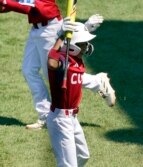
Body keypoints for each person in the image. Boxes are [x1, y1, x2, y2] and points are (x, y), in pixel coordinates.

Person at [0, 0, 116, 129]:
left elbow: (29, 6)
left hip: (50, 29)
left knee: (54, 74)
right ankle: (45, 116)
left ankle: (97, 82)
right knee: (28, 71)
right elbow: (18, 2)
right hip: (36, 30)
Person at [46, 20, 98, 167]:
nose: (86, 47)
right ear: (73, 46)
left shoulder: (77, 60)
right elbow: (51, 63)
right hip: (60, 119)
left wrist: (84, 27)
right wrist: (61, 36)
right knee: (69, 165)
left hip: (72, 118)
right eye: (83, 44)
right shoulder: (62, 59)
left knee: (83, 155)